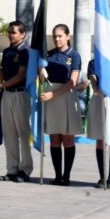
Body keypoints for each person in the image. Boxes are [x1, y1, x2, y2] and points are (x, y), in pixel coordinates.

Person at [0, 21, 33, 182]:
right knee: (9, 134)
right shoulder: (7, 51)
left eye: (13, 32)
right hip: (7, 94)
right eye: (9, 32)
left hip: (20, 94)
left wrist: (0, 85)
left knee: (23, 133)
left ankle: (26, 169)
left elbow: (21, 76)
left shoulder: (25, 52)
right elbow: (4, 74)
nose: (10, 34)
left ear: (22, 34)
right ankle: (12, 169)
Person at [40, 24, 82, 186]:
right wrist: (40, 71)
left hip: (65, 97)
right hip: (51, 98)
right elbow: (43, 78)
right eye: (55, 36)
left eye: (60, 36)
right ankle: (58, 176)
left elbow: (72, 82)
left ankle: (67, 176)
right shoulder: (48, 55)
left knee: (68, 138)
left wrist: (53, 94)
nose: (57, 39)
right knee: (54, 137)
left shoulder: (74, 55)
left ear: (67, 36)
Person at [80, 59, 110, 188]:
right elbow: (93, 81)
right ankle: (102, 176)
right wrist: (98, 88)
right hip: (99, 99)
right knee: (100, 139)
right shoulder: (93, 63)